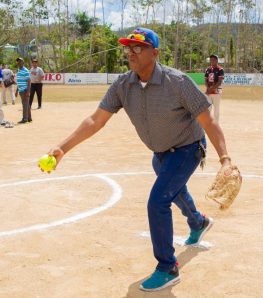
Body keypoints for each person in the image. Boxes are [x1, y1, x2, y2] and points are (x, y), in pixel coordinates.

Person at [46, 27, 233, 292]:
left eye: (138, 47)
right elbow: (95, 120)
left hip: (188, 147)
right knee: (171, 186)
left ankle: (168, 267)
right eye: (128, 48)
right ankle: (198, 221)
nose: (130, 53)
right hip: (160, 155)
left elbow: (208, 120)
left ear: (154, 53)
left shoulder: (177, 82)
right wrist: (62, 148)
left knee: (158, 200)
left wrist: (224, 158)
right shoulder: (123, 84)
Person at [204, 54, 224, 123]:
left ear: (216, 60)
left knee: (216, 109)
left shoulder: (220, 69)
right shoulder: (208, 69)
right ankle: (209, 124)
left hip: (216, 92)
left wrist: (212, 89)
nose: (212, 61)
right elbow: (206, 81)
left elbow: (220, 82)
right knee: (208, 108)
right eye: (211, 60)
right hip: (209, 92)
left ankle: (216, 124)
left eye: (213, 60)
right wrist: (208, 88)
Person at [15, 57, 32, 123]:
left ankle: (24, 119)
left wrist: (28, 91)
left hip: (25, 90)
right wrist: (17, 91)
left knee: (24, 105)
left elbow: (29, 81)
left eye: (20, 61)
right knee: (26, 104)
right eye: (18, 61)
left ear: (23, 62)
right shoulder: (19, 70)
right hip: (21, 90)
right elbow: (19, 81)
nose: (19, 62)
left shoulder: (25, 70)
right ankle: (29, 118)